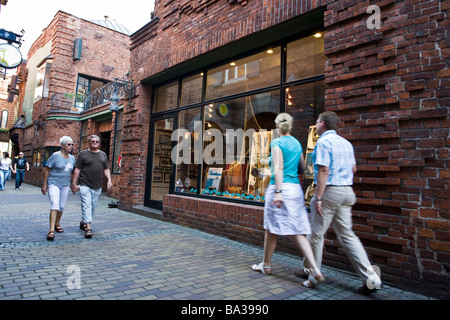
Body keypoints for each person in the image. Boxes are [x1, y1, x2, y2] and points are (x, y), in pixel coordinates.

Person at [296, 111, 382, 295]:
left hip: (330, 191)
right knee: (348, 236)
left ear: (323, 124)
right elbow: (354, 168)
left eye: (317, 121)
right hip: (347, 191)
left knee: (317, 234)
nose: (316, 123)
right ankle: (371, 278)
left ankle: (313, 275)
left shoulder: (323, 142)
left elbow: (324, 170)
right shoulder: (346, 143)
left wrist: (318, 197)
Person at [251, 113, 325, 288]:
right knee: (297, 231)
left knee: (270, 227)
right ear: (290, 126)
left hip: (280, 188)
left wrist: (278, 191)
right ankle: (314, 269)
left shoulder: (277, 142)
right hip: (295, 190)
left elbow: (277, 168)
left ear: (277, 126)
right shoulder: (297, 143)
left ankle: (267, 265)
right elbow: (301, 167)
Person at [70, 135, 112, 238]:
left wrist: (109, 180)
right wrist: (73, 184)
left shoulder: (103, 155)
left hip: (97, 185)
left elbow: (106, 169)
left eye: (96, 141)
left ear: (99, 143)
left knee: (92, 206)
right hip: (84, 184)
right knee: (86, 204)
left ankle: (84, 221)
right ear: (88, 143)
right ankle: (88, 227)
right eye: (92, 141)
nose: (94, 143)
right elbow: (77, 170)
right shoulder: (82, 154)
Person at [41, 136, 76, 241]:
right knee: (55, 204)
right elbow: (47, 169)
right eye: (68, 144)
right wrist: (44, 184)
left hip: (65, 185)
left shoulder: (72, 158)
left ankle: (57, 223)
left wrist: (74, 184)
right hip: (54, 183)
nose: (71, 146)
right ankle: (51, 230)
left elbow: (74, 172)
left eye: (72, 144)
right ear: (62, 145)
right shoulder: (55, 156)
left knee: (61, 206)